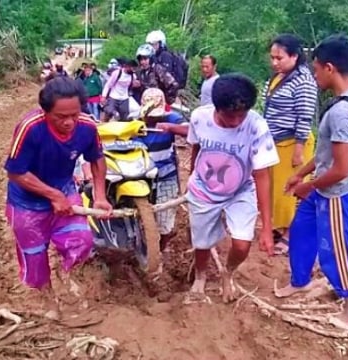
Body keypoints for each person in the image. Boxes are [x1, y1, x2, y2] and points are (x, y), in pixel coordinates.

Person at [274, 35, 348, 329]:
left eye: (315, 70)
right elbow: (328, 154)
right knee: (301, 231)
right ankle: (299, 280)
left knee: (334, 249)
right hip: (322, 186)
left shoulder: (341, 112)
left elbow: (341, 168)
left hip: (335, 192)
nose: (314, 76)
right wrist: (302, 173)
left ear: (329, 68)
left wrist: (307, 186)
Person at [4, 77, 112, 315]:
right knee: (34, 255)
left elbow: (97, 158)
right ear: (45, 112)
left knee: (81, 241)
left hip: (65, 189)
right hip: (27, 201)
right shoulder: (30, 128)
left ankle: (68, 275)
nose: (69, 122)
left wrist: (100, 196)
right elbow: (15, 172)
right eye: (60, 117)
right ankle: (48, 298)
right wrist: (52, 195)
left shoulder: (87, 126)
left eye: (74, 114)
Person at [186, 74, 278, 304]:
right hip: (204, 189)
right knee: (202, 242)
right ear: (216, 108)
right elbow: (196, 149)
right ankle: (200, 276)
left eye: (241, 115)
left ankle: (229, 272)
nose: (237, 121)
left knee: (242, 243)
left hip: (240, 190)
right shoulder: (199, 118)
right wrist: (191, 175)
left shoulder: (256, 126)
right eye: (230, 116)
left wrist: (267, 227)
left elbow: (262, 175)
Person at [261, 34, 318, 255]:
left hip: (294, 143)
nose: (275, 62)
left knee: (289, 191)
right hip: (275, 143)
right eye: (272, 57)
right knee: (275, 189)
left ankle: (289, 234)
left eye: (280, 58)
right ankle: (278, 226)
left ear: (294, 56)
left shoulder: (303, 82)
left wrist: (299, 150)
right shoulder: (280, 76)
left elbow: (304, 117)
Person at [134, 88, 188, 272]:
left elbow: (190, 131)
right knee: (136, 216)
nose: (154, 120)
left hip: (166, 175)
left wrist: (171, 128)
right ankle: (141, 247)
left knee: (166, 223)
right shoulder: (134, 120)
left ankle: (161, 249)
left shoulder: (172, 118)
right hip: (139, 177)